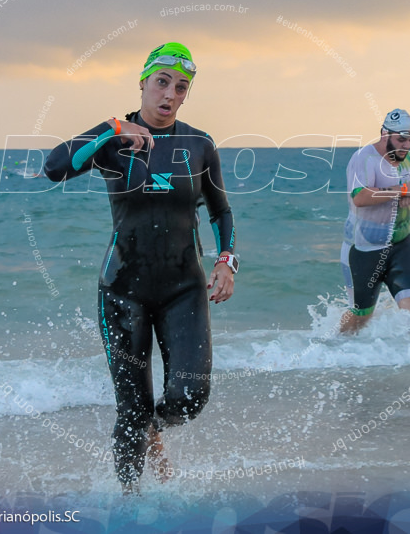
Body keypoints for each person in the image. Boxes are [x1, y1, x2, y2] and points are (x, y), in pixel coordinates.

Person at [44, 42, 237, 493]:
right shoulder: (114, 138)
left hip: (183, 288)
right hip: (122, 290)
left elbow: (221, 211)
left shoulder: (199, 144)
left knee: (190, 398)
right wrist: (111, 131)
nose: (169, 95)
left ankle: (156, 429)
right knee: (129, 410)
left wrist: (227, 260)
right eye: (162, 83)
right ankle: (130, 506)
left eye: (181, 87)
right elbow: (54, 168)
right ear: (144, 83)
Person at [340, 109, 410, 334]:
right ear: (384, 134)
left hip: (401, 246)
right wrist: (401, 190)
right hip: (365, 249)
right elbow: (360, 197)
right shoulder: (363, 159)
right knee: (362, 316)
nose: (407, 146)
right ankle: (335, 347)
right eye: (401, 140)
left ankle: (409, 361)